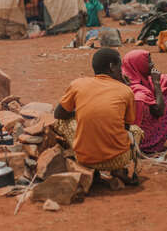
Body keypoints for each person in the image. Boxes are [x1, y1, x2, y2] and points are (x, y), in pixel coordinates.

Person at [54, 48, 142, 184]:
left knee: (62, 122)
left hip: (85, 159)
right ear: (112, 67)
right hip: (117, 160)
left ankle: (86, 169)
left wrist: (81, 113)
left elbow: (58, 114)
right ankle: (120, 170)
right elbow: (126, 126)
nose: (122, 70)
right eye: (120, 66)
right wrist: (123, 86)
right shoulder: (126, 90)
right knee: (136, 131)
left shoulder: (78, 84)